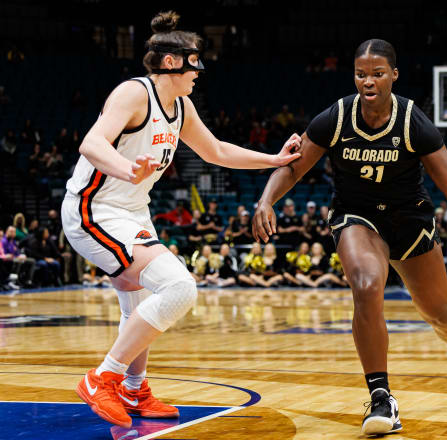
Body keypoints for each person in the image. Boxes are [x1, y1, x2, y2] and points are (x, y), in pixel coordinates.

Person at [252, 39, 447, 435]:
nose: (368, 81)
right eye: (361, 74)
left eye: (377, 74)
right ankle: (381, 396)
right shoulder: (336, 117)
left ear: (393, 76)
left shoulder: (414, 121)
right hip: (357, 217)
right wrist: (267, 199)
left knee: (440, 314)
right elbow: (294, 167)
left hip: (409, 221)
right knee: (366, 286)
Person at [60, 11, 300, 429]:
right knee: (179, 287)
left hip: (131, 210)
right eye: (194, 64)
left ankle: (134, 388)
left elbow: (218, 152)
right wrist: (126, 168)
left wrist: (274, 160)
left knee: (135, 302)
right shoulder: (133, 93)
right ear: (172, 63)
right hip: (93, 210)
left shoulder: (181, 106)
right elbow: (91, 143)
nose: (199, 74)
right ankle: (104, 378)